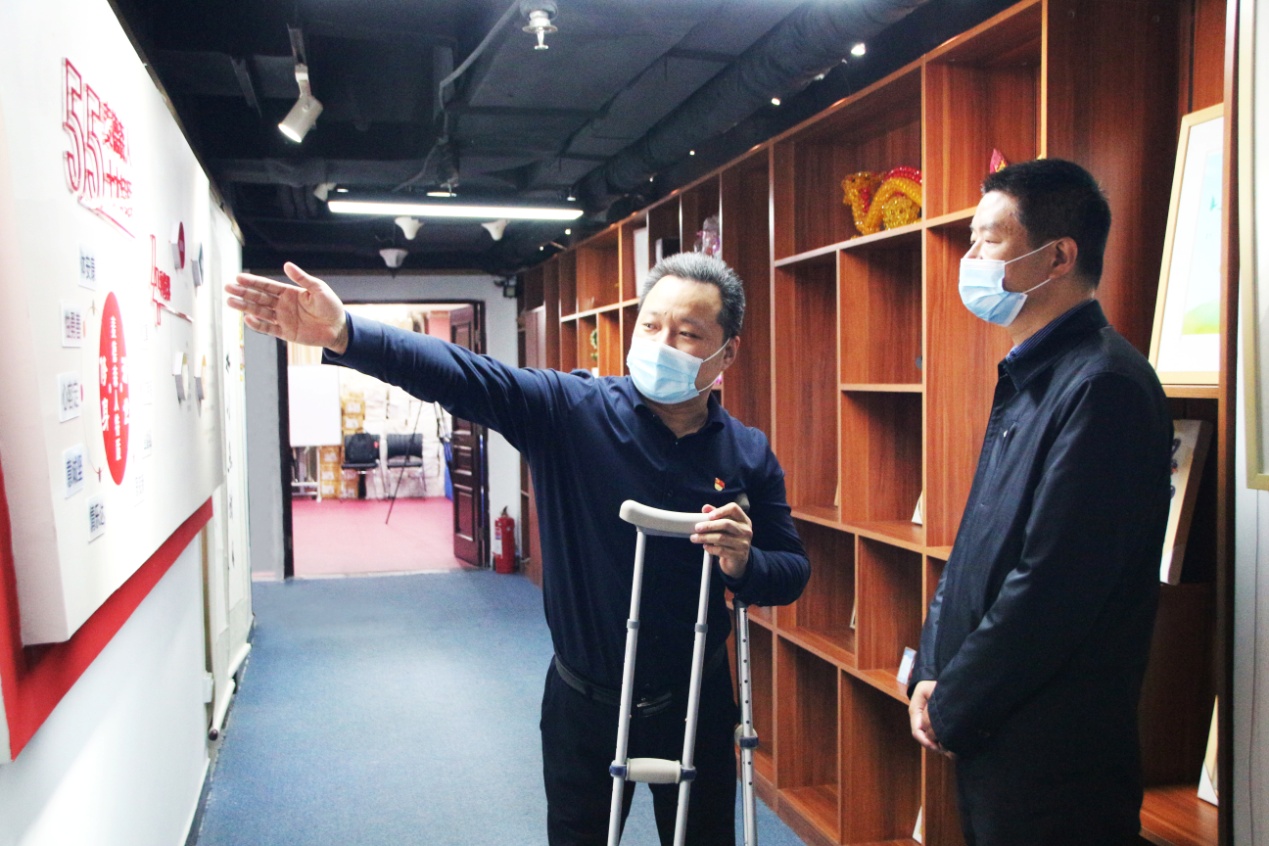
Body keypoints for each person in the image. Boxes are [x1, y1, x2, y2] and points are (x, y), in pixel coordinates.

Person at [226, 251, 810, 846]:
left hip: (696, 701)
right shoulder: (570, 411)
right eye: (650, 326)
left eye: (686, 334)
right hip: (584, 703)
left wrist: (745, 562)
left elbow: (791, 571)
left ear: (726, 353)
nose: (662, 345)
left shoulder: (747, 454)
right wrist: (346, 334)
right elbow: (461, 373)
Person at [906, 158, 1173, 846]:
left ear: (1057, 257)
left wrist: (955, 702)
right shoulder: (1030, 373)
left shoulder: (1104, 385)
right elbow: (974, 547)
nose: (969, 260)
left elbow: (1053, 586)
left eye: (988, 241)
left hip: (1056, 753)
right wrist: (932, 672)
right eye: (970, 241)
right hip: (995, 729)